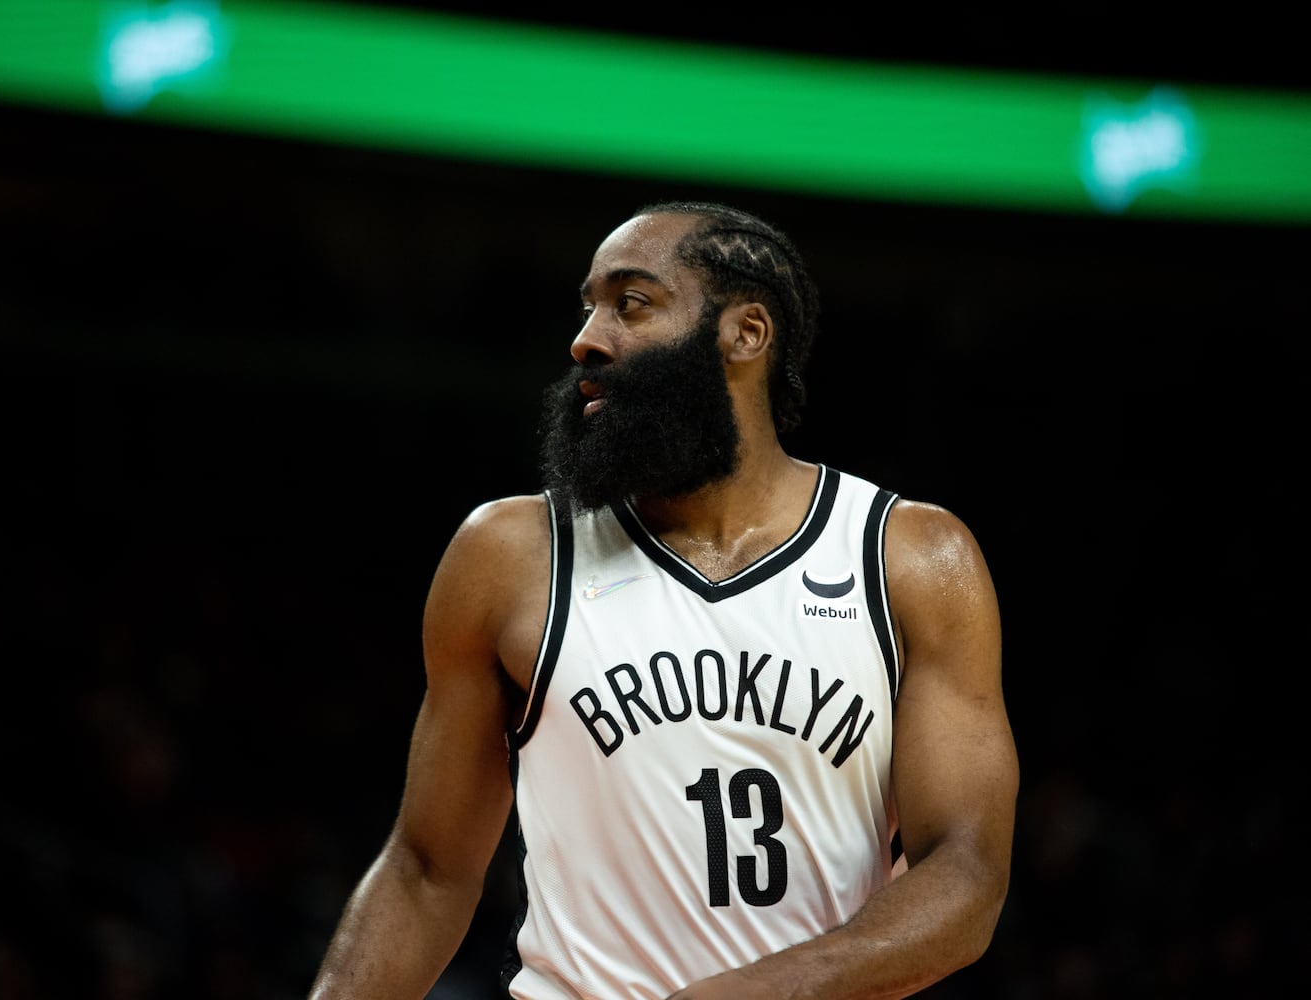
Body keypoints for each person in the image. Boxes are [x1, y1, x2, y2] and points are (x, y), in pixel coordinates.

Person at [308, 201, 1019, 999]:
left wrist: (755, 991)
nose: (587, 337)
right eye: (588, 305)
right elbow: (426, 871)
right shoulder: (510, 556)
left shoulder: (909, 558)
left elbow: (965, 877)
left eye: (631, 303)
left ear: (745, 334)